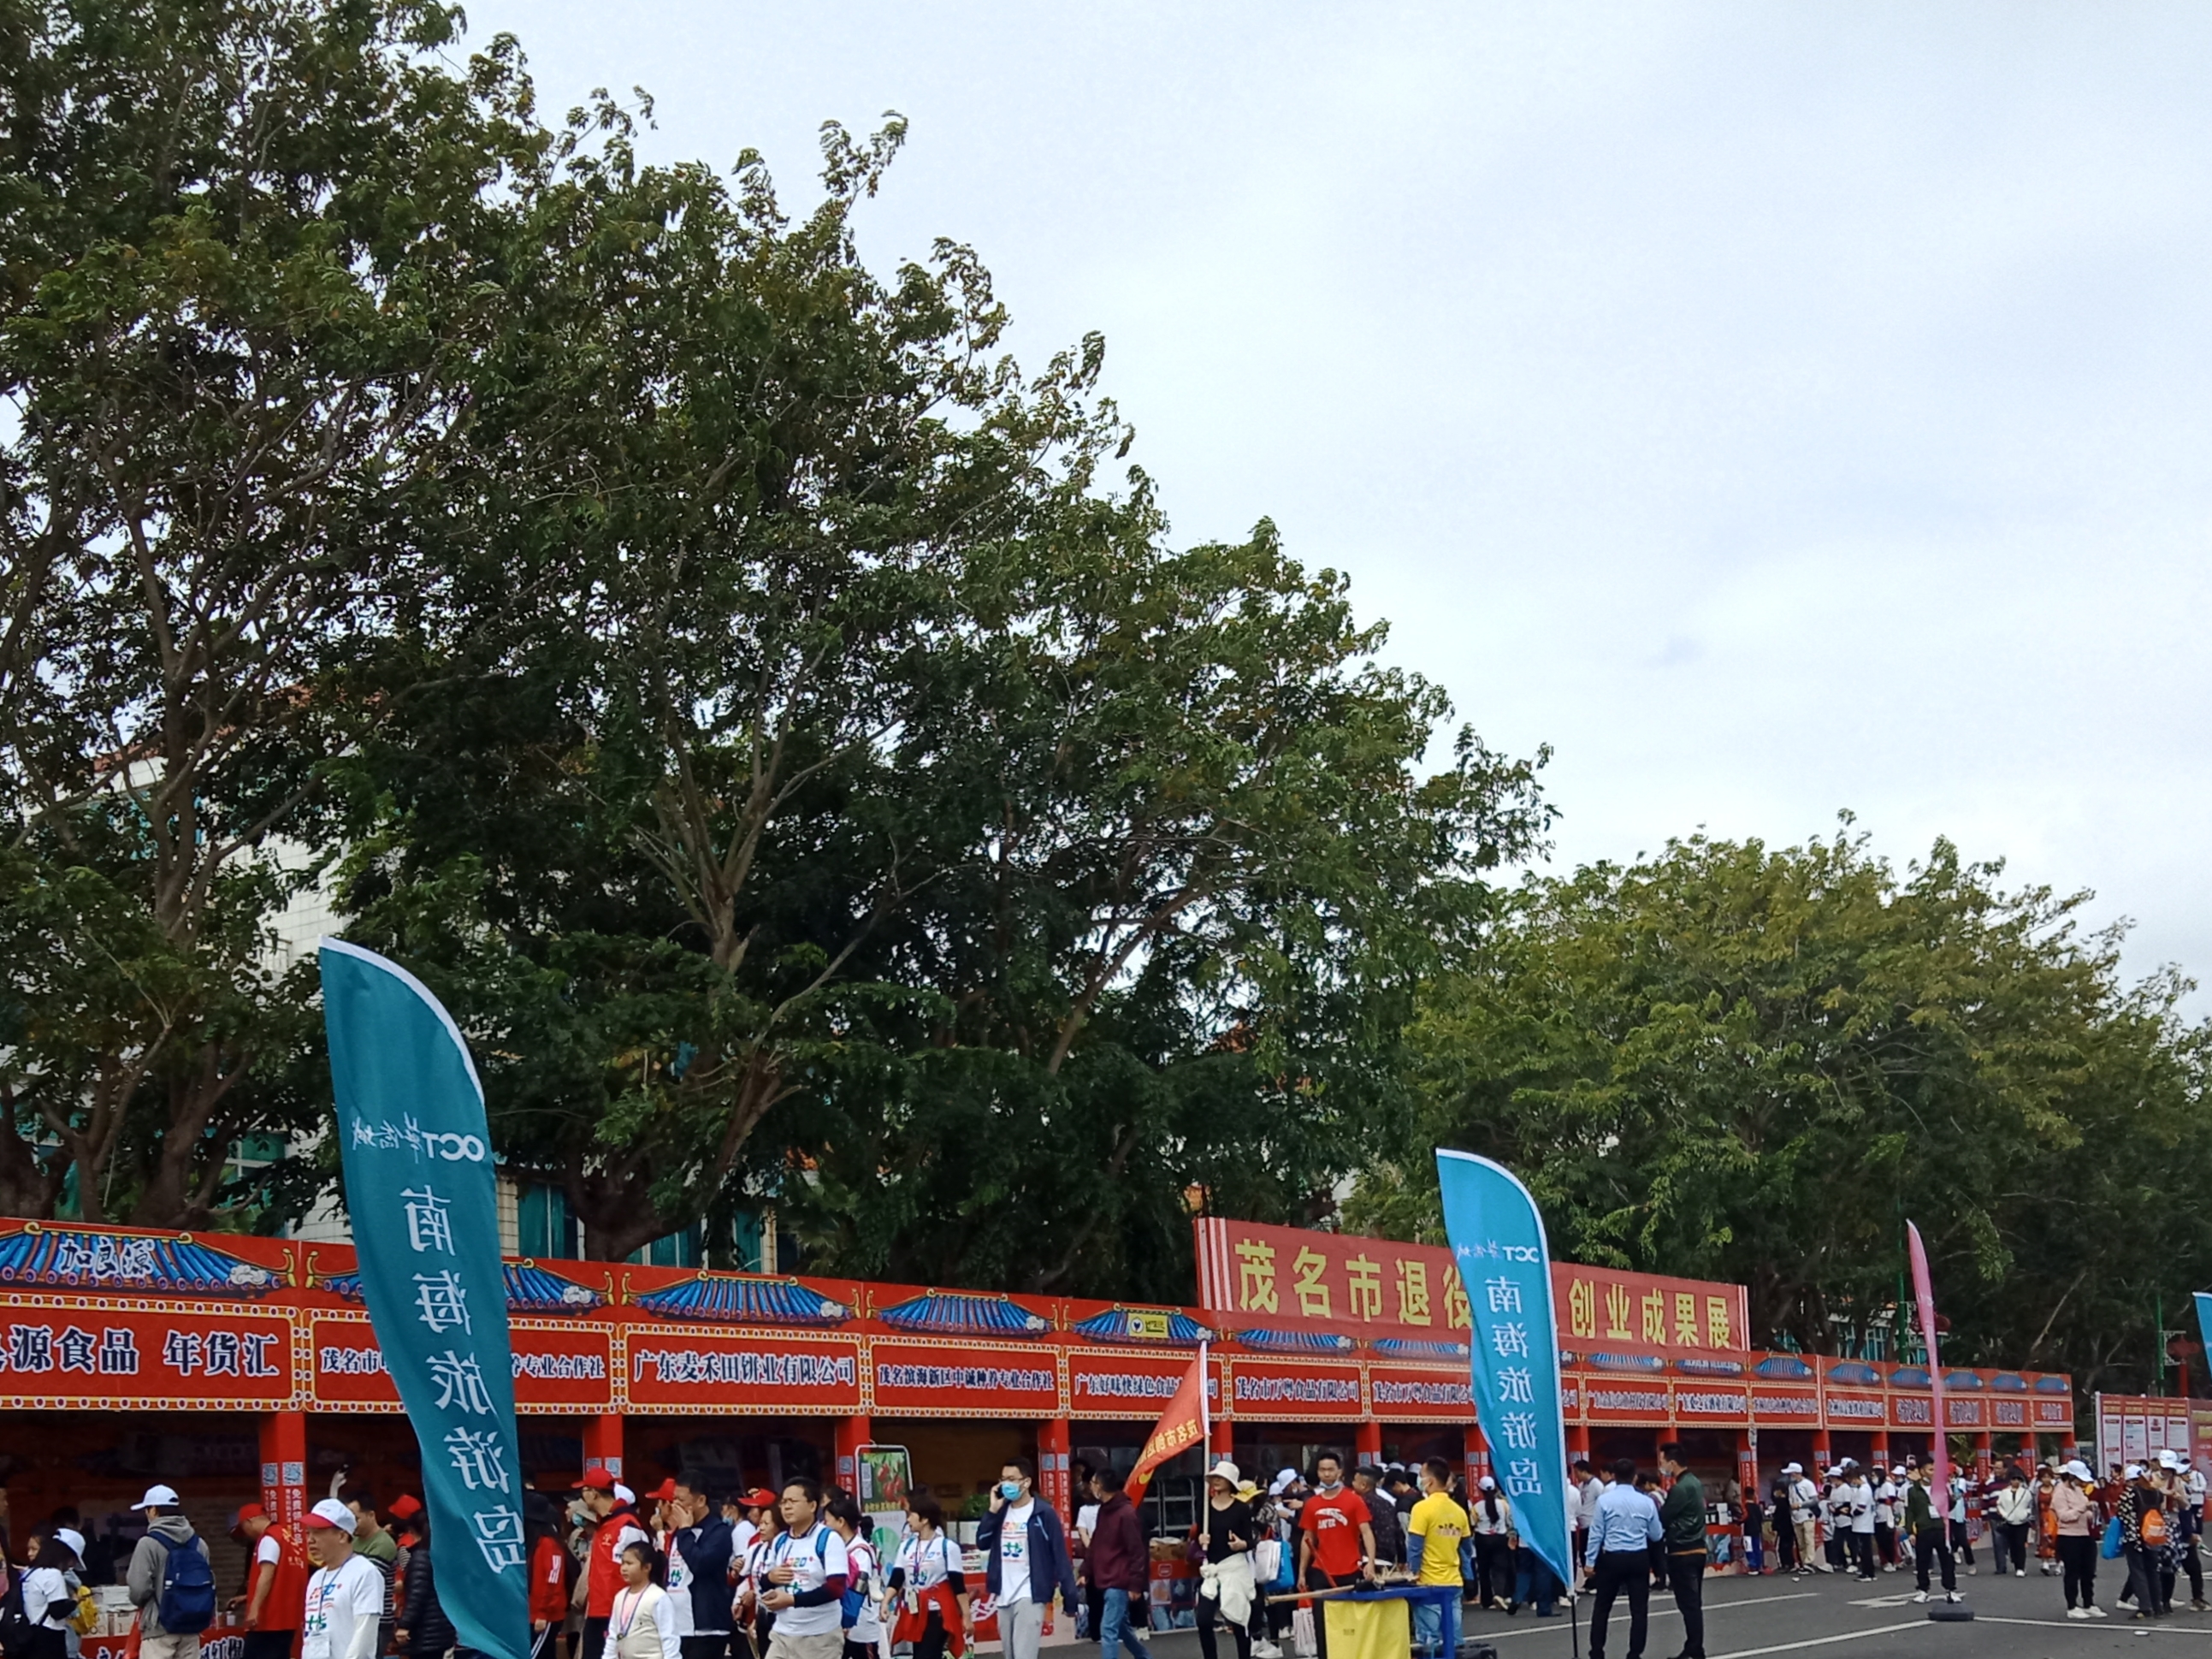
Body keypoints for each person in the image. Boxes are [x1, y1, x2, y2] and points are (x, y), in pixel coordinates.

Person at [975, 1461, 1076, 1659]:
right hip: (1004, 1594)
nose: (1006, 1484)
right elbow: (982, 1542)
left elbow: (1059, 1556)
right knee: (1010, 1654)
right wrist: (992, 1511)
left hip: (1030, 1594)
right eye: (1003, 1479)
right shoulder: (1001, 1512)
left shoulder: (1044, 1514)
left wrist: (1070, 1597)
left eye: (1012, 1479)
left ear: (1026, 1482)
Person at [1295, 1452, 1375, 1659]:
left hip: (1350, 1570)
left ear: (1340, 1472)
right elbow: (1307, 1539)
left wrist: (1370, 1563)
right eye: (1322, 1470)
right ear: (1317, 1473)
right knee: (1322, 1626)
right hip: (1321, 1572)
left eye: (1331, 1470)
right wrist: (1302, 1572)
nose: (1327, 1474)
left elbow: (1366, 1532)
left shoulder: (1354, 1500)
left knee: (1350, 1624)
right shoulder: (1312, 1504)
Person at [758, 1480, 848, 1659]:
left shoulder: (828, 1539)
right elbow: (765, 1583)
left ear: (812, 1506)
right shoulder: (780, 1541)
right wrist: (770, 1578)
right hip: (782, 1634)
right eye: (783, 1502)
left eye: (793, 1501)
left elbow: (836, 1588)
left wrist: (792, 1600)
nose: (786, 1507)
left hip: (819, 1637)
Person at [1584, 1459, 1662, 1659]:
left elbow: (1596, 1533)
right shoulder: (1646, 1502)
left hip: (1612, 1557)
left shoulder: (1604, 1501)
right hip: (1638, 1557)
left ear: (1614, 1476)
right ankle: (1635, 1653)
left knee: (1602, 1607)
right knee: (1639, 1610)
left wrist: (1590, 1562)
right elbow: (1656, 1535)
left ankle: (1597, 1651)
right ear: (1635, 1477)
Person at [127, 1484, 212, 1659]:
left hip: (159, 1628)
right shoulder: (199, 1544)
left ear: (154, 1510)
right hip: (192, 1626)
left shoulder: (148, 1543)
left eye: (147, 1510)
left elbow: (138, 1589)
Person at [301, 1498, 384, 1659]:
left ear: (342, 1535)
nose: (310, 1540)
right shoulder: (317, 1578)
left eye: (318, 1532)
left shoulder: (364, 1572)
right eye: (308, 1533)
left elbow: (364, 1634)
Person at [583, 1468, 651, 1659]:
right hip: (598, 1610)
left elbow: (637, 1571)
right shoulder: (605, 1524)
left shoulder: (626, 1525)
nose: (582, 1497)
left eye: (584, 1491)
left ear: (594, 1493)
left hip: (617, 1613)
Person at [889, 1496, 967, 1659]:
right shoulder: (906, 1546)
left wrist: (967, 1616)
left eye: (911, 1515)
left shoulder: (947, 1547)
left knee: (927, 1654)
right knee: (920, 1654)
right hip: (914, 1610)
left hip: (937, 1611)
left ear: (924, 1519)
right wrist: (885, 1601)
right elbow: (897, 1578)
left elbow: (958, 1585)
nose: (908, 1519)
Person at [229, 1502, 309, 1659]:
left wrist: (254, 1608)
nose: (246, 1534)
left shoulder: (269, 1539)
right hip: (287, 1618)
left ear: (249, 1521)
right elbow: (282, 1580)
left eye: (244, 1528)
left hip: (269, 1621)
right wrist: (247, 1597)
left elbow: (267, 1574)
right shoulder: (287, 1537)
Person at [1405, 1459, 1470, 1653]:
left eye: (1421, 1476)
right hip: (1454, 1581)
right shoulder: (1459, 1511)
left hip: (1428, 1582)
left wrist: (1413, 1573)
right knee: (1454, 1640)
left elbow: (1415, 1547)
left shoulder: (1421, 1508)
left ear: (1430, 1481)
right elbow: (1466, 1548)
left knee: (1429, 1641)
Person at [1193, 1461, 1256, 1659]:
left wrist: (1241, 1544)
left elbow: (1251, 1541)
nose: (1217, 1480)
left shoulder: (1241, 1509)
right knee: (1203, 1620)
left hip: (1234, 1567)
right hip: (1212, 1569)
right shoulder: (1204, 1507)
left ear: (1231, 1482)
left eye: (1221, 1477)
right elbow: (1198, 1536)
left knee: (1238, 1620)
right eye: (1215, 1477)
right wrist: (1200, 1539)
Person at [1083, 1468, 1148, 1659]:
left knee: (1108, 1628)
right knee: (1121, 1628)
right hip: (1106, 1577)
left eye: (1093, 1483)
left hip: (1119, 1579)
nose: (1091, 1487)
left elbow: (1137, 1551)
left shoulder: (1126, 1514)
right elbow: (1096, 1544)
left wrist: (1135, 1584)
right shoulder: (1105, 1510)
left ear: (1101, 1486)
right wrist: (1086, 1570)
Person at [670, 1476, 734, 1659]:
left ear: (701, 1500)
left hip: (706, 1626)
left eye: (681, 1500)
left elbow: (700, 1564)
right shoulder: (679, 1532)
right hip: (677, 1624)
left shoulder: (719, 1532)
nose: (676, 1505)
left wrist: (684, 1530)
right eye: (674, 1499)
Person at [337, 1490, 399, 1658]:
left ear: (371, 1515)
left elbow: (363, 1580)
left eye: (356, 1519)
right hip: (351, 1617)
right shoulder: (353, 1540)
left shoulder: (384, 1543)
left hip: (376, 1621)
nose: (352, 1524)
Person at [1656, 1446, 1706, 1659]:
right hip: (1698, 1547)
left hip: (1682, 1549)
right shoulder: (1695, 1482)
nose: (1661, 1465)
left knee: (1688, 1604)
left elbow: (1664, 1517)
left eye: (1662, 1461)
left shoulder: (1679, 1489)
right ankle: (1694, 1647)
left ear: (1673, 1463)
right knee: (1693, 1602)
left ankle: (1694, 1647)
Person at [822, 1496, 882, 1659]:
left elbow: (859, 1587)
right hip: (841, 1624)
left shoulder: (860, 1550)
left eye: (827, 1521)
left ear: (841, 1522)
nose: (824, 1525)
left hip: (861, 1626)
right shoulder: (838, 1548)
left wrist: (848, 1618)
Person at [393, 1509, 456, 1659]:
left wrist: (404, 1624)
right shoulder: (445, 1556)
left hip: (425, 1631)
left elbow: (417, 1595)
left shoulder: (420, 1558)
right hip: (443, 1627)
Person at [604, 1539, 681, 1659]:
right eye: (623, 1563)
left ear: (646, 1567)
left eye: (629, 1563)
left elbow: (669, 1637)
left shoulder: (658, 1597)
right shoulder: (620, 1596)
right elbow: (613, 1634)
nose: (624, 1568)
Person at [21, 1527, 86, 1659]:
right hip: (49, 1638)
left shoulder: (31, 1573)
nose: (72, 1565)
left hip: (29, 1635)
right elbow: (57, 1611)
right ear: (66, 1554)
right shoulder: (53, 1575)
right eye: (74, 1560)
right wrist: (74, 1601)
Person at [2050, 1460, 2103, 1619]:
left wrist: (2092, 1511)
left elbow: (2085, 1513)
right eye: (2079, 1478)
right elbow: (2064, 1516)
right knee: (2072, 1573)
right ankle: (2072, 1606)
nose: (2081, 1482)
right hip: (2068, 1536)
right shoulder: (2060, 1492)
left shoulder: (2079, 1490)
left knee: (2089, 1571)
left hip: (2085, 1534)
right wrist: (2083, 1508)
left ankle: (2089, 1603)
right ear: (2071, 1476)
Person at [1901, 1464, 1958, 1605]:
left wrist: (1950, 1496)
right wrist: (1910, 1532)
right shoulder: (1913, 1491)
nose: (1933, 1472)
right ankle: (1923, 1590)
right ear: (1922, 1471)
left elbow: (1949, 1506)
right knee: (1922, 1562)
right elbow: (1910, 1512)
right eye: (1930, 1470)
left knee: (1947, 1561)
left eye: (1935, 1469)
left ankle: (1950, 1590)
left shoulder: (1941, 1487)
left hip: (1940, 1528)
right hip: (1923, 1529)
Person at [529, 1503, 571, 1659]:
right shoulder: (540, 1544)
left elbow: (553, 1580)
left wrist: (542, 1613)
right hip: (539, 1612)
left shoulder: (549, 1544)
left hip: (546, 1614)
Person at [1468, 1476, 1512, 1610]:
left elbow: (1472, 1523)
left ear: (1480, 1490)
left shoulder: (1476, 1507)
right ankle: (1500, 1593)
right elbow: (1509, 1521)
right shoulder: (1503, 1504)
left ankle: (1487, 1601)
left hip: (1482, 1539)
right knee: (1500, 1568)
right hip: (1500, 1537)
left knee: (1484, 1570)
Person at [1350, 1470, 1400, 1569]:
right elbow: (1398, 1532)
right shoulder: (1387, 1503)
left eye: (1355, 1480)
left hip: (1367, 1560)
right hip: (1388, 1560)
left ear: (1363, 1485)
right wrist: (1402, 1558)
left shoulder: (1359, 1504)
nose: (1352, 1483)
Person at [1992, 1470, 2033, 1578]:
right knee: (2012, 1544)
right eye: (2014, 1479)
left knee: (2020, 1544)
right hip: (2009, 1521)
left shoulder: (2026, 1492)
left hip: (2022, 1521)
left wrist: (2026, 1514)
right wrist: (2004, 1515)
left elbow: (2030, 1505)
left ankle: (2021, 1567)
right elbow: (1999, 1504)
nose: (2016, 1481)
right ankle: (2015, 1561)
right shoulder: (2004, 1492)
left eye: (2018, 1479)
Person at [1783, 1465, 1819, 1577]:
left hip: (1807, 1515)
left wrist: (1800, 1505)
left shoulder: (1808, 1484)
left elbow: (1814, 1500)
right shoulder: (1791, 1486)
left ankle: (1809, 1562)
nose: (1790, 1476)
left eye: (1791, 1473)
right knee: (1800, 1542)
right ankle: (1804, 1563)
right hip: (1796, 1517)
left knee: (1809, 1539)